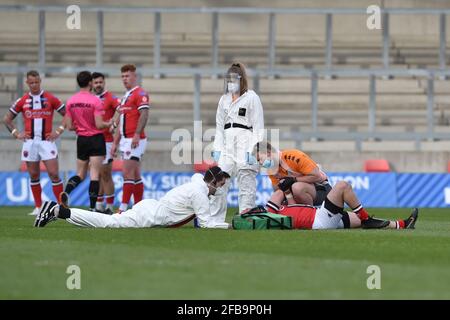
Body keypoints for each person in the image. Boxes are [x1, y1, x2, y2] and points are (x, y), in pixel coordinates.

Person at [34, 166, 231, 229]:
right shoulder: (200, 193)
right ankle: (59, 210)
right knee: (109, 223)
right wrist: (230, 226)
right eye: (220, 186)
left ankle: (57, 211)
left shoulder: (198, 180)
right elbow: (206, 224)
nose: (220, 190)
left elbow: (202, 181)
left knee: (112, 222)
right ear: (212, 182)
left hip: (152, 208)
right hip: (153, 215)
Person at [3, 70, 65, 215]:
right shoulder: (23, 100)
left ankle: (62, 206)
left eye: (36, 82)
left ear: (40, 81)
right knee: (34, 175)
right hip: (30, 142)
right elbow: (7, 119)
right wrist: (16, 133)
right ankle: (38, 207)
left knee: (54, 174)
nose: (34, 85)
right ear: (27, 83)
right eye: (31, 83)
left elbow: (67, 114)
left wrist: (59, 130)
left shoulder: (50, 98)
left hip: (46, 141)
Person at [210, 62, 265, 225]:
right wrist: (217, 148)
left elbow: (258, 126)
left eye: (234, 79)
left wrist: (253, 149)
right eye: (228, 79)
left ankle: (245, 218)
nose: (230, 83)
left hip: (245, 141)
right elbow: (219, 127)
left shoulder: (251, 97)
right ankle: (215, 219)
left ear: (242, 80)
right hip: (227, 143)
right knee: (219, 180)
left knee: (246, 180)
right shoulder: (223, 100)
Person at [262, 180, 418, 230]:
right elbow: (275, 196)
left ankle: (403, 224)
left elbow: (293, 207)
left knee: (359, 220)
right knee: (342, 186)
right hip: (319, 220)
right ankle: (367, 219)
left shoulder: (284, 210)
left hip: (320, 217)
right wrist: (281, 190)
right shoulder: (272, 212)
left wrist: (288, 193)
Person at [60, 71, 112, 211]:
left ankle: (67, 192)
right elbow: (99, 124)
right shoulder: (96, 101)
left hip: (81, 139)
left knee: (80, 174)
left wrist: (80, 126)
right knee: (94, 174)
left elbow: (70, 126)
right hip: (96, 139)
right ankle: (92, 208)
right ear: (90, 83)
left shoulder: (71, 101)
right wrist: (109, 124)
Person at [111, 64, 149, 213]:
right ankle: (139, 207)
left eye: (127, 76)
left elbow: (144, 114)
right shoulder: (126, 96)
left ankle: (123, 208)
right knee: (135, 174)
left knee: (126, 172)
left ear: (135, 76)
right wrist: (115, 142)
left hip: (135, 139)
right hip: (126, 139)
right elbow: (122, 119)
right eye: (122, 76)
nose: (125, 79)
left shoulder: (140, 94)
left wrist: (137, 134)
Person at [249, 141, 331, 207]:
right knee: (276, 197)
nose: (260, 163)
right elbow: (278, 190)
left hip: (321, 189)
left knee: (297, 187)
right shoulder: (271, 168)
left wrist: (294, 180)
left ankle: (311, 214)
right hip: (299, 192)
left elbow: (317, 176)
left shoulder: (293, 156)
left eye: (260, 159)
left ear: (268, 153)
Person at [92, 72, 121, 214]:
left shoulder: (110, 97)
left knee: (105, 173)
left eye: (100, 82)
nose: (98, 85)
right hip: (92, 139)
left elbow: (121, 110)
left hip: (107, 141)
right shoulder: (90, 98)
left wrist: (114, 124)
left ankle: (109, 206)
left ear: (104, 83)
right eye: (96, 82)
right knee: (96, 174)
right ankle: (98, 204)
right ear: (91, 83)